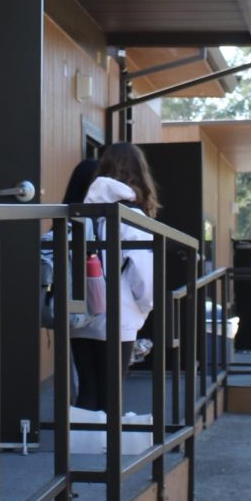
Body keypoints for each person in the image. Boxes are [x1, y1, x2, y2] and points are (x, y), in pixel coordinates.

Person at [70, 143, 159, 412]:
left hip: (80, 313)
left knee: (87, 388)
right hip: (118, 316)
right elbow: (143, 279)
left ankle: (79, 450)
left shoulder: (79, 214)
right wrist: (144, 309)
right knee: (112, 392)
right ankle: (107, 452)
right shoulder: (133, 218)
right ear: (140, 174)